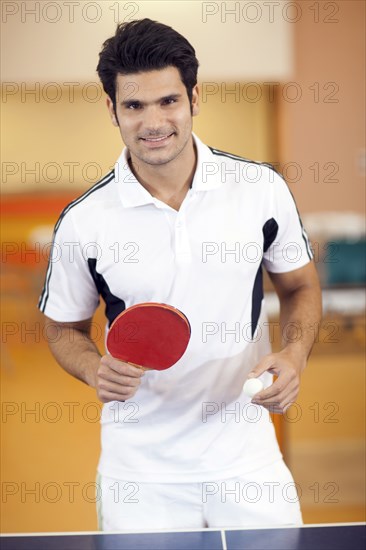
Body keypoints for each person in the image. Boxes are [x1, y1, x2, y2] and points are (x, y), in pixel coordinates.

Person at [39, 18, 322, 531]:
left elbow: (300, 285)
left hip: (247, 454)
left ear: (194, 98)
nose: (153, 121)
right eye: (134, 105)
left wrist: (295, 353)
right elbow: (62, 328)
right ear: (112, 110)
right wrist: (92, 369)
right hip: (140, 471)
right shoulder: (84, 222)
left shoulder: (261, 190)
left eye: (168, 101)